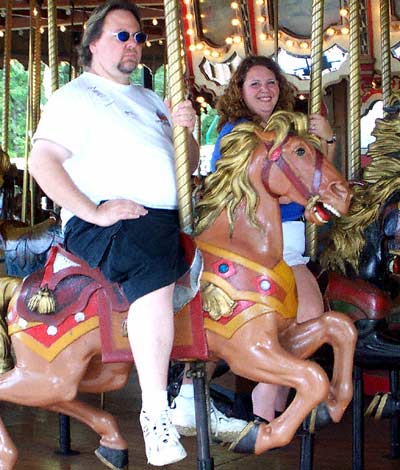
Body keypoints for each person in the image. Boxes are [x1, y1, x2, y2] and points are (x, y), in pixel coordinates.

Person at [28, 1, 199, 466]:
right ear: (93, 43)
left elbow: (188, 166)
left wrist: (187, 133)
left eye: (139, 37)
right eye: (122, 35)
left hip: (166, 218)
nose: (134, 44)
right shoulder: (75, 97)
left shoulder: (151, 99)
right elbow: (44, 160)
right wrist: (94, 210)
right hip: (114, 222)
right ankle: (156, 412)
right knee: (152, 269)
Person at [170, 55, 336, 427]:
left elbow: (317, 177)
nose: (266, 90)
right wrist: (301, 199)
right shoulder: (239, 132)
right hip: (258, 244)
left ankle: (266, 411)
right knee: (307, 315)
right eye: (255, 84)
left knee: (298, 324)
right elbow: (252, 189)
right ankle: (257, 410)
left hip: (286, 239)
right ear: (240, 92)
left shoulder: (286, 131)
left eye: (271, 83)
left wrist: (326, 137)